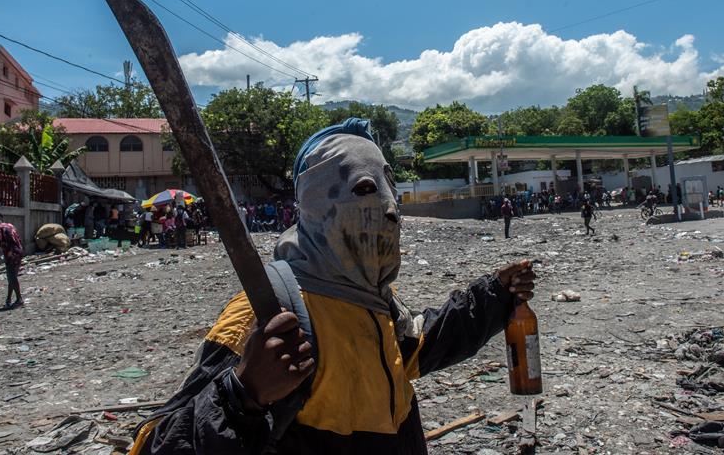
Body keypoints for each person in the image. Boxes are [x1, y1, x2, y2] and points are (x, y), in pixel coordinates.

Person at [126, 118, 537, 454]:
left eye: (389, 187)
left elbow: (416, 350)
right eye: (362, 189)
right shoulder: (266, 308)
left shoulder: (377, 301)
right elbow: (156, 445)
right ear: (319, 203)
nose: (388, 209)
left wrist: (494, 296)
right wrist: (242, 394)